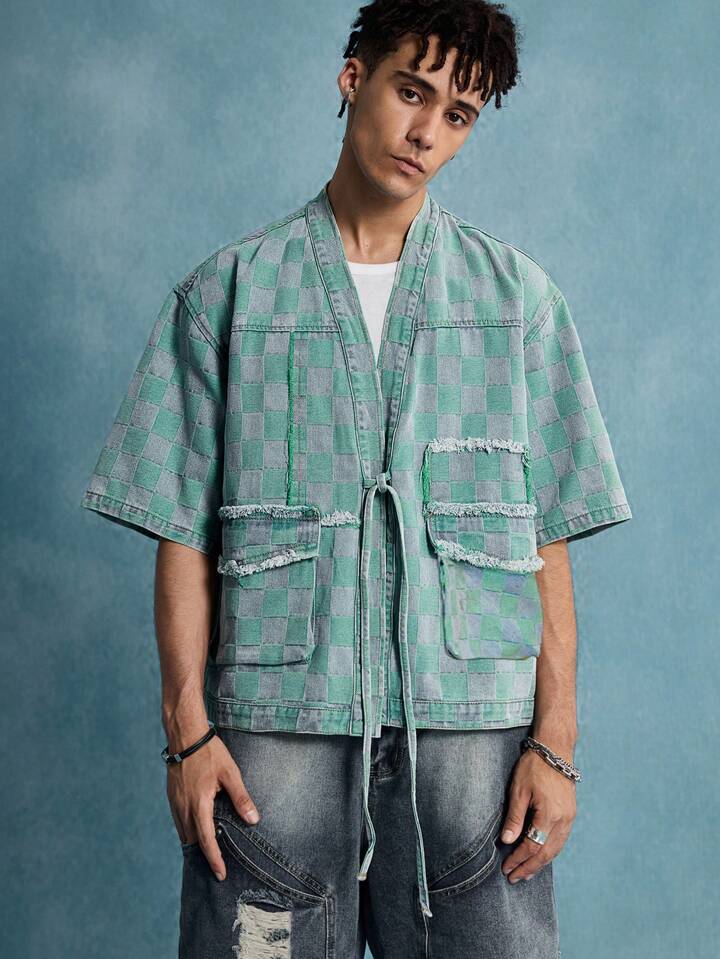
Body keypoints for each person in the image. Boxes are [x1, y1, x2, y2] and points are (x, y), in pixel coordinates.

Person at [80, 2, 632, 956]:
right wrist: (188, 734)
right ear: (353, 77)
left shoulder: (518, 305)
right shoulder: (229, 296)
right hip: (275, 746)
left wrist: (557, 743)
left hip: (474, 750)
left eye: (457, 114)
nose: (426, 132)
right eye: (410, 92)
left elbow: (544, 537)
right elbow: (182, 532)